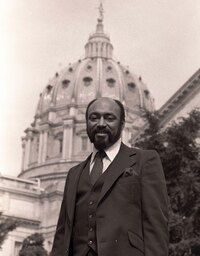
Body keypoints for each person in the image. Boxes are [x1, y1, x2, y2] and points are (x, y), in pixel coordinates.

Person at [50, 97, 169, 256]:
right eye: (94, 118)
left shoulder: (145, 161)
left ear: (122, 124)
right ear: (86, 123)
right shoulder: (74, 174)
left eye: (109, 118)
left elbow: (156, 226)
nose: (100, 123)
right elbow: (62, 235)